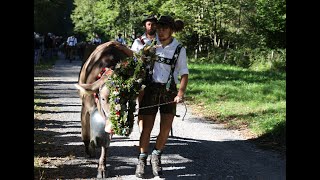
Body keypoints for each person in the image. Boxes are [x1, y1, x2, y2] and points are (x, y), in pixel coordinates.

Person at [135, 15, 189, 178]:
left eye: (165, 28)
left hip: (169, 91)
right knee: (146, 128)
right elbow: (136, 65)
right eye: (160, 28)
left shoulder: (179, 48)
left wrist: (180, 93)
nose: (162, 31)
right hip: (150, 89)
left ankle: (156, 155)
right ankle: (142, 160)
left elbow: (184, 73)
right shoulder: (149, 44)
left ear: (171, 30)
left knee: (166, 127)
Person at [131, 14, 158, 133]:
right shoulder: (138, 41)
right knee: (142, 104)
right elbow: (132, 59)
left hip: (158, 75)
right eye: (149, 24)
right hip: (142, 74)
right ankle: (142, 132)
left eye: (153, 24)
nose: (151, 26)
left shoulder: (162, 40)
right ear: (145, 25)